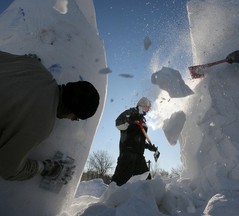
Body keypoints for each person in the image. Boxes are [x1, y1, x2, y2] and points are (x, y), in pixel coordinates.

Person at [0, 50, 100, 181]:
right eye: (76, 118)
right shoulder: (41, 124)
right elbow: (8, 168)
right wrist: (43, 167)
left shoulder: (34, 65)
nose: (73, 120)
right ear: (72, 110)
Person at [111, 97, 159, 186]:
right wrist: (130, 120)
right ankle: (111, 199)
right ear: (142, 105)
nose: (148, 110)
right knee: (119, 183)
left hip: (139, 156)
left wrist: (149, 147)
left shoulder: (142, 120)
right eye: (147, 107)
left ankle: (146, 199)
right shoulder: (130, 112)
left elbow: (140, 139)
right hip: (127, 154)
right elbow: (118, 124)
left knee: (147, 183)